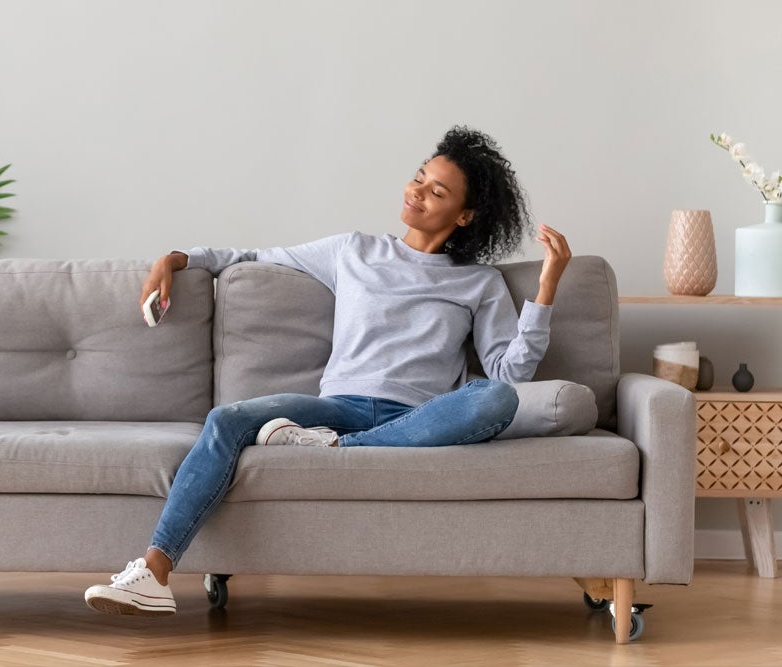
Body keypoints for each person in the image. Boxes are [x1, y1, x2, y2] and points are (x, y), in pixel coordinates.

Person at [83, 126, 572, 617]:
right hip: (337, 407)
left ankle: (335, 448)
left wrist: (546, 287)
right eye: (419, 178)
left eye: (437, 191)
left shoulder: (479, 283)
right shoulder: (353, 251)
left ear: (465, 215)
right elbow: (251, 257)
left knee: (496, 399)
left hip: (418, 421)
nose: (417, 192)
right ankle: (153, 571)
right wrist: (173, 259)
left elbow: (510, 373)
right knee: (226, 419)